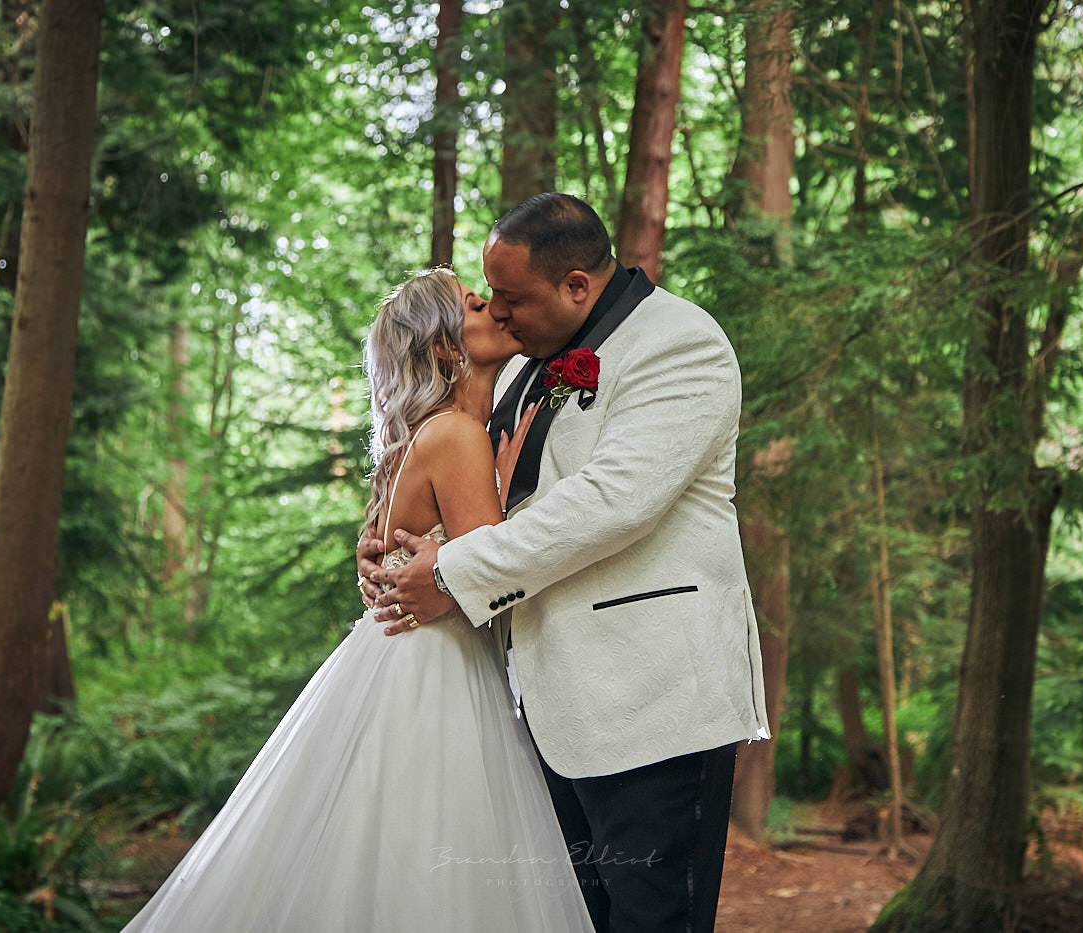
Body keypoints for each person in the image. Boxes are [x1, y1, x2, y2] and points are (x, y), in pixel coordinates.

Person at [121, 268, 592, 933]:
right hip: (438, 673)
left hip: (400, 656)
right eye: (475, 304)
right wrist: (508, 480)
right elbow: (492, 573)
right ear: (446, 347)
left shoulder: (426, 434)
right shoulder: (457, 436)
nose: (495, 308)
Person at [360, 193, 771, 933]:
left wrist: (450, 571)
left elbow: (614, 501)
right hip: (544, 710)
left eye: (511, 298)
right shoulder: (526, 369)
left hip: (653, 701)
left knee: (652, 920)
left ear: (576, 285)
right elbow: (491, 502)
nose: (499, 313)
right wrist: (397, 548)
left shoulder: (680, 343)